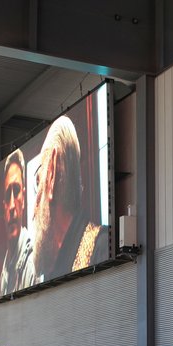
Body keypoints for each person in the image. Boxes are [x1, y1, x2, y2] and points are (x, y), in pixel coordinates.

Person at [31, 115, 108, 282]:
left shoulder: (100, 246)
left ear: (52, 176)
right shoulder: (51, 266)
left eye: (38, 181)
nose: (33, 210)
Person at [0, 148, 36, 296]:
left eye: (17, 191)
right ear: (3, 207)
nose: (12, 205)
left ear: (24, 198)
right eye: (8, 195)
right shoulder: (6, 268)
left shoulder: (33, 261)